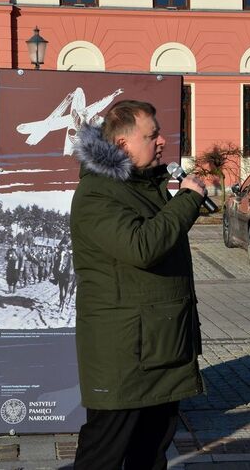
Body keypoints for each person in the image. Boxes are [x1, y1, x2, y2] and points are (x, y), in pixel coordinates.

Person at [70, 99, 207, 469]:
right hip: (124, 355)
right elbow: (142, 247)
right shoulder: (97, 193)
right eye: (152, 135)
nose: (162, 141)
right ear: (121, 145)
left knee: (152, 452)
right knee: (105, 453)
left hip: (163, 346)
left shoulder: (148, 184)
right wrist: (189, 200)